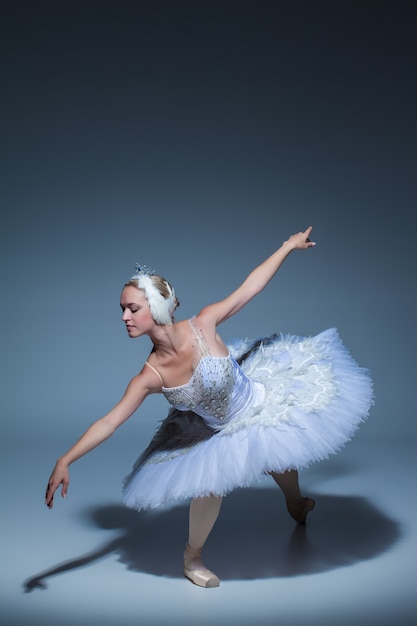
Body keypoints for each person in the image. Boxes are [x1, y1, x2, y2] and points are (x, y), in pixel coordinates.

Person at [45, 226, 373, 588]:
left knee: (283, 464)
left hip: (260, 403)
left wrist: (287, 247)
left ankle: (296, 504)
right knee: (209, 486)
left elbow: (251, 287)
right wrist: (66, 459)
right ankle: (192, 558)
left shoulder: (204, 323)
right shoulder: (149, 376)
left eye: (132, 308)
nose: (124, 316)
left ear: (155, 307)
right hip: (217, 430)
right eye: (122, 309)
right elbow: (109, 422)